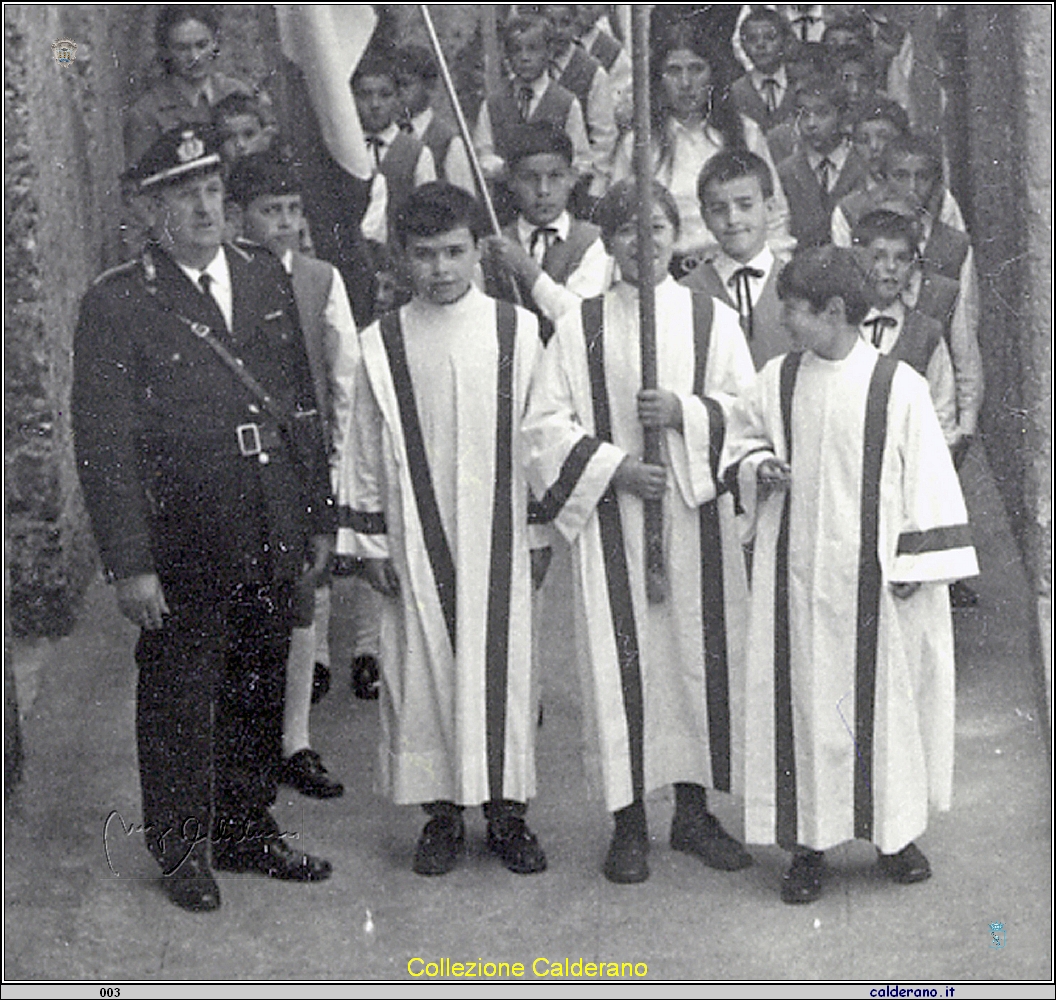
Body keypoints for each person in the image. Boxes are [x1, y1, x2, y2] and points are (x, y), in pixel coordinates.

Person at [71, 126, 334, 912]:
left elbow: (299, 401)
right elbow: (104, 441)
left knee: (257, 676)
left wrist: (317, 512)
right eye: (182, 194)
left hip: (268, 512)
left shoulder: (261, 274)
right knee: (182, 690)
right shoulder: (119, 301)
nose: (203, 206)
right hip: (180, 530)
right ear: (150, 211)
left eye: (213, 189)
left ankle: (248, 828)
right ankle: (183, 846)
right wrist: (129, 561)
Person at [722, 246, 979, 904]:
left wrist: (914, 566)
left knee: (885, 707)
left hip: (879, 586)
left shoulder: (899, 387)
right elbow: (740, 441)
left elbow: (928, 479)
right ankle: (809, 844)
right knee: (804, 704)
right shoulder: (777, 380)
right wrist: (758, 467)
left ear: (836, 313)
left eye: (796, 310)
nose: (784, 320)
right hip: (799, 582)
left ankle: (894, 836)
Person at [523, 180, 756, 884]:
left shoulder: (712, 320)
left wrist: (684, 412)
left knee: (695, 663)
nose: (642, 242)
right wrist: (618, 467)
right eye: (625, 229)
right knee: (620, 669)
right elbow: (542, 429)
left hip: (694, 520)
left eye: (655, 227)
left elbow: (747, 414)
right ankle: (628, 822)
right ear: (608, 240)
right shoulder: (578, 327)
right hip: (615, 526)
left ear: (674, 233)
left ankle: (692, 813)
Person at [336, 183, 548, 877]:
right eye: (423, 255)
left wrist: (540, 534)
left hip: (499, 533)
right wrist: (369, 541)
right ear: (399, 258)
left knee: (502, 671)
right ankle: (442, 815)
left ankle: (507, 811)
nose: (441, 270)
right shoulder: (382, 342)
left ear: (478, 250)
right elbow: (365, 444)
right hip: (414, 536)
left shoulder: (516, 331)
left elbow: (542, 436)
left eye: (454, 252)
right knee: (422, 672)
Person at [226, 151, 379, 798]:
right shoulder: (222, 279)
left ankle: (295, 741)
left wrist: (339, 467)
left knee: (301, 596)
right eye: (271, 212)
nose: (285, 224)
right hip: (235, 470)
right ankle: (242, 746)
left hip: (300, 463)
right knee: (243, 606)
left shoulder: (319, 279)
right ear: (240, 218)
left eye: (293, 211)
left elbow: (345, 378)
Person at [611, 22, 792, 275]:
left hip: (736, 271)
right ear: (658, 78)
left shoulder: (744, 133)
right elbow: (620, 222)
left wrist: (771, 276)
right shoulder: (638, 143)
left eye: (696, 69)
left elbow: (775, 215)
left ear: (713, 74)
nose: (685, 83)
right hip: (667, 276)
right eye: (673, 71)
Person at [482, 123, 611, 337]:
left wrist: (524, 267)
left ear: (572, 178)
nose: (543, 190)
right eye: (529, 178)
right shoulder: (493, 246)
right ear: (511, 180)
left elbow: (578, 318)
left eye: (555, 176)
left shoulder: (593, 242)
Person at [852, 209, 957, 445]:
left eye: (901, 258)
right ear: (858, 258)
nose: (891, 267)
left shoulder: (927, 333)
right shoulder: (844, 327)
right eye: (878, 257)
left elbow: (943, 416)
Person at [683, 150, 794, 369]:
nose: (732, 219)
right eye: (718, 209)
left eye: (745, 205)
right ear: (704, 217)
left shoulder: (798, 285)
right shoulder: (688, 292)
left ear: (770, 208)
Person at [125, 5, 269, 166]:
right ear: (165, 51)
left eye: (202, 45)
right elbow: (143, 182)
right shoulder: (147, 114)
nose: (194, 57)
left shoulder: (237, 91)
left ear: (215, 43)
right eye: (182, 48)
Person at [473, 12, 592, 183]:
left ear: (549, 52)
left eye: (533, 49)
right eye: (516, 50)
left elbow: (581, 160)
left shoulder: (566, 103)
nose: (524, 57)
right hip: (506, 201)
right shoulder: (493, 104)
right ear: (506, 55)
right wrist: (503, 169)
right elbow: (483, 154)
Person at [352, 55, 437, 240]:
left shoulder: (418, 153)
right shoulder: (346, 149)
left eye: (385, 95)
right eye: (365, 95)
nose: (375, 104)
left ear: (398, 98)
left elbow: (427, 215)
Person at [544, 4, 618, 203]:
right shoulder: (531, 68)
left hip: (578, 184)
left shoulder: (592, 72)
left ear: (576, 24)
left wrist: (592, 188)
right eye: (550, 22)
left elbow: (604, 137)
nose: (558, 31)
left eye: (565, 23)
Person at [394, 44, 477, 195]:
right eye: (395, 85)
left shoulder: (448, 142)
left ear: (428, 85)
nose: (398, 93)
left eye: (405, 84)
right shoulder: (390, 133)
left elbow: (465, 201)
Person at [730, 6, 797, 133]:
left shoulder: (800, 83)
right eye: (752, 39)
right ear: (743, 46)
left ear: (785, 42)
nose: (760, 45)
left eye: (770, 37)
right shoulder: (735, 92)